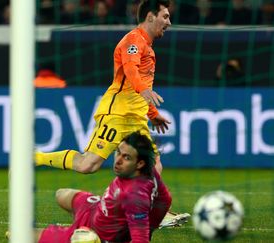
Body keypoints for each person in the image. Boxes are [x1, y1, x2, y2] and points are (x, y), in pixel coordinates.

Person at [35, 0, 189, 228]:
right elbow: (130, 69)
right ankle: (35, 157)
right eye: (165, 16)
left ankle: (155, 213)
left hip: (136, 118)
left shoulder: (149, 47)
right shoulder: (133, 40)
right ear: (150, 16)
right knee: (88, 165)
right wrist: (144, 90)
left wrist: (153, 113)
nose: (169, 22)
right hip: (117, 114)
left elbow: (140, 87)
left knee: (155, 166)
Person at [36, 132, 172, 243]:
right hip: (95, 208)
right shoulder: (149, 173)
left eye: (126, 157)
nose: (118, 160)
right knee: (61, 194)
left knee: (27, 235)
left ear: (139, 163)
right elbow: (165, 200)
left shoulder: (134, 197)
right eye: (118, 152)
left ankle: (78, 235)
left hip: (96, 232)